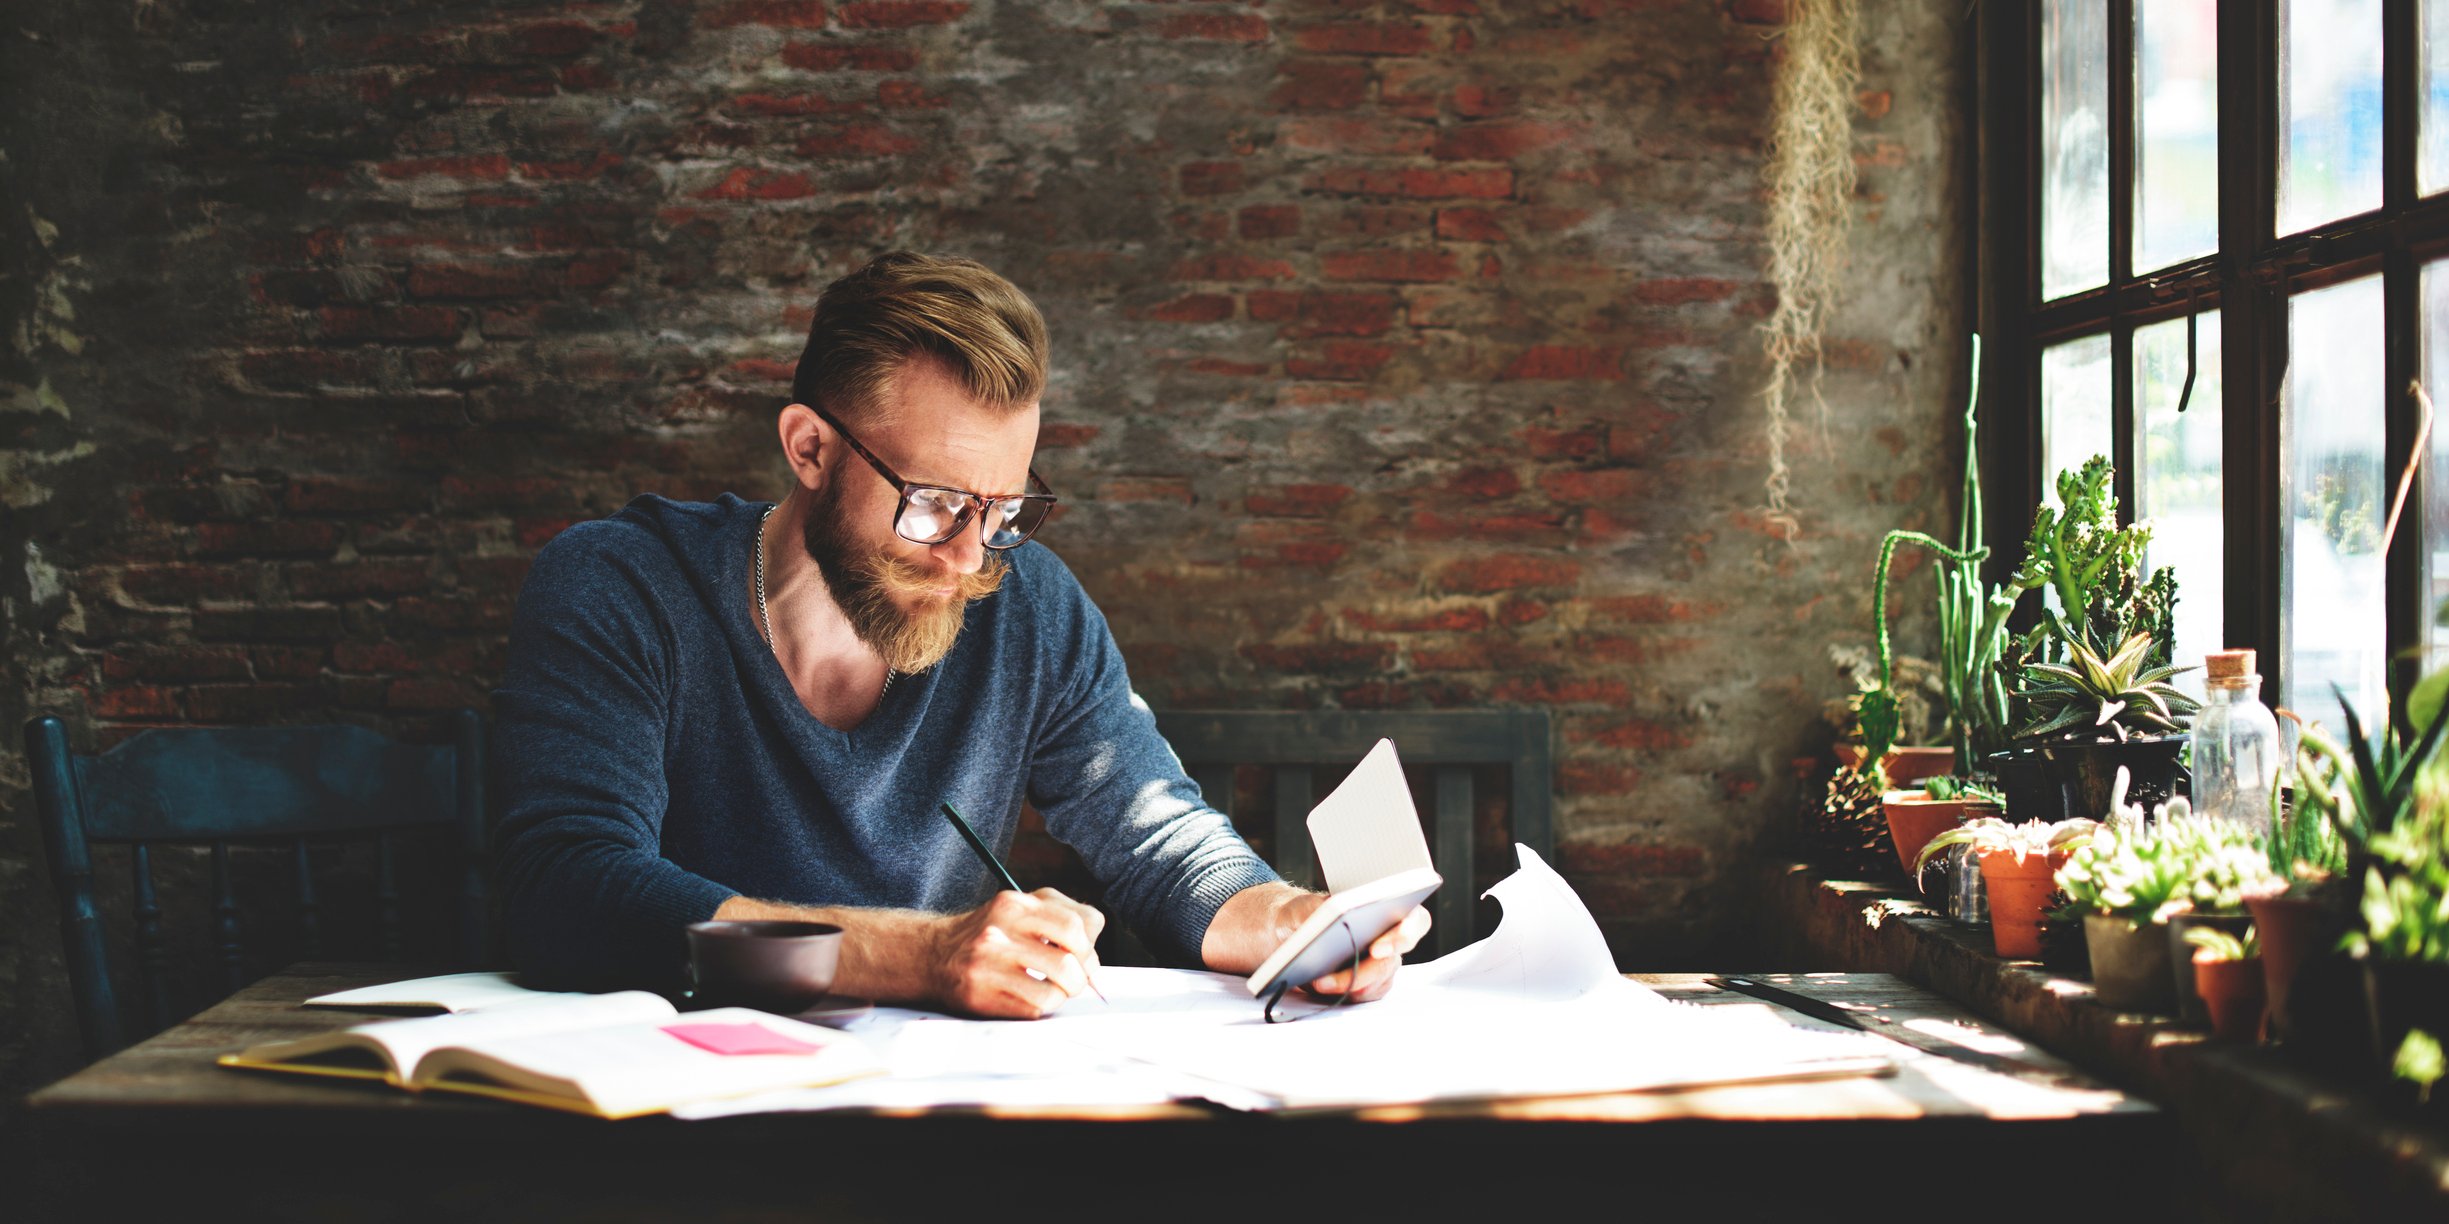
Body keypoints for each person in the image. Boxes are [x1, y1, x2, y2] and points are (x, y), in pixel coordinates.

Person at [494, 250, 1427, 1018]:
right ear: (808, 447)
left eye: (1003, 508)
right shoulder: (622, 585)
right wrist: (919, 955)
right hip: (667, 1110)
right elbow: (569, 890)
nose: (968, 558)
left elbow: (1154, 836)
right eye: (934, 502)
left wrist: (1282, 918)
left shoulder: (1028, 605)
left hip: (928, 1112)